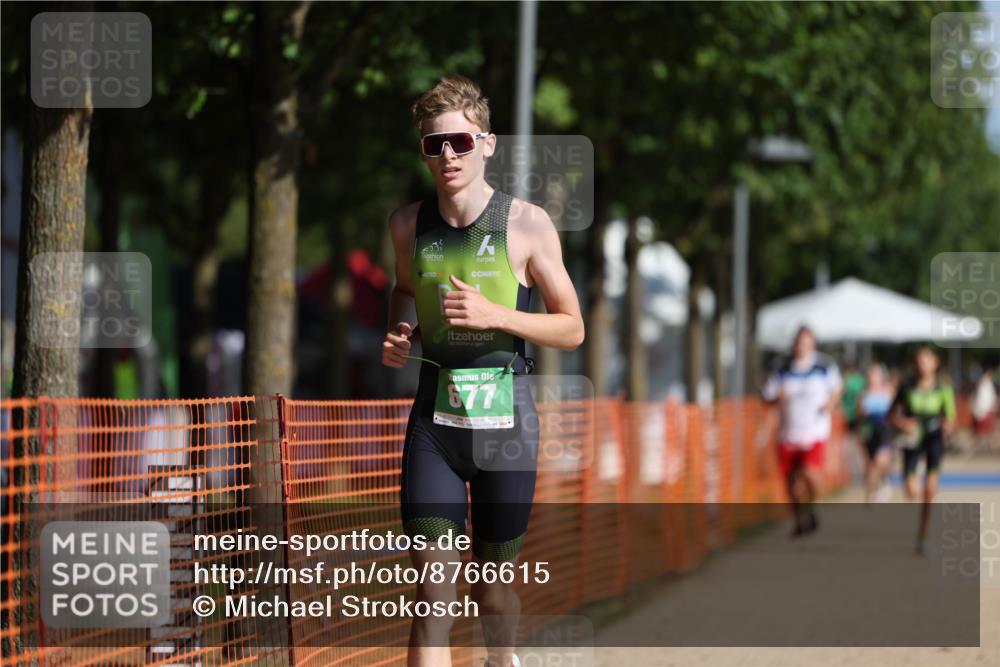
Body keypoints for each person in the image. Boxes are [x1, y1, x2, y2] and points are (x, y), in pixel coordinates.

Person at [381, 75, 585, 667]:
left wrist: (497, 313)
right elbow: (402, 290)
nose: (448, 155)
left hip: (508, 429)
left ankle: (501, 659)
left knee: (492, 592)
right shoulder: (406, 225)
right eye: (434, 145)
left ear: (487, 145)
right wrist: (400, 332)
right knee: (432, 596)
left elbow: (572, 328)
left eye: (460, 143)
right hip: (434, 428)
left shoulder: (527, 225)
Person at [762, 325, 842, 537]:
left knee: (809, 473)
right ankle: (800, 520)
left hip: (814, 431)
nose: (802, 346)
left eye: (806, 342)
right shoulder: (781, 368)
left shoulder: (824, 365)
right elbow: (768, 397)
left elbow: (836, 389)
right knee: (791, 484)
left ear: (812, 344)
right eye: (799, 342)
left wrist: (830, 404)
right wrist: (776, 397)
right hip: (788, 433)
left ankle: (812, 507)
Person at [890, 345, 956, 555]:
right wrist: (903, 424)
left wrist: (947, 426)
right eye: (919, 361)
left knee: (929, 490)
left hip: (934, 441)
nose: (923, 365)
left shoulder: (943, 389)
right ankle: (915, 491)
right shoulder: (907, 386)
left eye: (927, 360)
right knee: (911, 492)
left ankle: (923, 537)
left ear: (935, 363)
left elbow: (951, 418)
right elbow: (891, 415)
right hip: (911, 441)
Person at [857, 363, 895, 503]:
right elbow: (860, 417)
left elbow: (896, 411)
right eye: (870, 374)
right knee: (870, 465)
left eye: (875, 374)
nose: (872, 377)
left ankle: (884, 481)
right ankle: (872, 492)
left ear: (881, 377)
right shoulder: (863, 394)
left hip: (885, 430)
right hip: (869, 430)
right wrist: (859, 433)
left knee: (881, 460)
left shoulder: (888, 391)